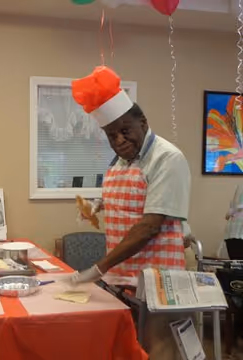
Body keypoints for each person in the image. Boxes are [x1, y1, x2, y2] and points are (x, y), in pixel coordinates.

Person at [69, 66, 191, 359]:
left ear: (143, 122)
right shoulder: (120, 161)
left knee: (157, 351)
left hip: (157, 281)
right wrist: (97, 206)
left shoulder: (166, 158)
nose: (119, 140)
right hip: (123, 278)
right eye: (112, 136)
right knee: (128, 351)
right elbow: (126, 200)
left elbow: (149, 225)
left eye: (125, 131)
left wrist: (99, 267)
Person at [222, 184, 243, 259]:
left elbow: (229, 213)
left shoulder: (239, 187)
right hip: (236, 232)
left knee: (235, 264)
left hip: (232, 232)